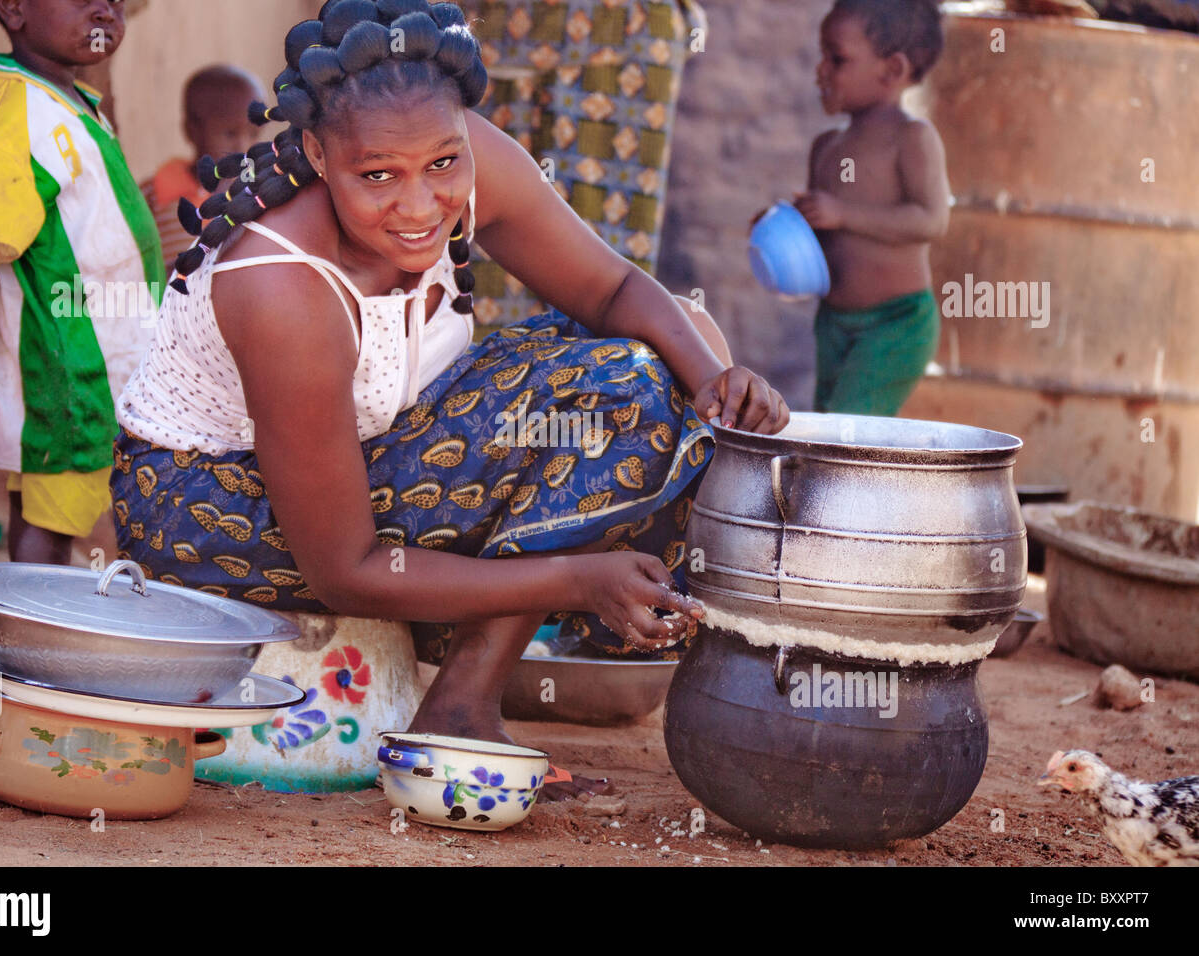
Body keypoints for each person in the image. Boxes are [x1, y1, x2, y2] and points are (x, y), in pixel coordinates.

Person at [112, 0, 787, 797]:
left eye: (442, 164)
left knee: (682, 343)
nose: (419, 204)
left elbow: (610, 286)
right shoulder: (282, 289)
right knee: (626, 394)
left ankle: (460, 698)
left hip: (371, 453)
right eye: (377, 176)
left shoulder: (462, 158)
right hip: (208, 502)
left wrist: (713, 380)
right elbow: (347, 569)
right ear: (317, 155)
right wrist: (575, 578)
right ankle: (462, 708)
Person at [0, 0, 161, 564]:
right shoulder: (22, 109)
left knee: (51, 507)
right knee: (50, 517)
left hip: (104, 353)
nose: (106, 10)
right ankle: (31, 641)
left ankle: (39, 636)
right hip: (69, 368)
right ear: (15, 10)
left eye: (116, 2)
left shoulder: (69, 101)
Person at [792, 0, 951, 416]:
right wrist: (788, 230)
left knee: (849, 425)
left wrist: (844, 214)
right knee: (828, 422)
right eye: (822, 55)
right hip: (833, 320)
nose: (820, 70)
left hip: (895, 323)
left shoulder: (912, 138)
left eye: (837, 58)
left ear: (892, 70)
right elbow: (823, 242)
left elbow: (931, 220)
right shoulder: (826, 148)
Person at [141, 65, 267, 274]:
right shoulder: (156, 193)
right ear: (192, 131)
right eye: (229, 134)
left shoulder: (258, 197)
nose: (242, 148)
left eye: (253, 134)